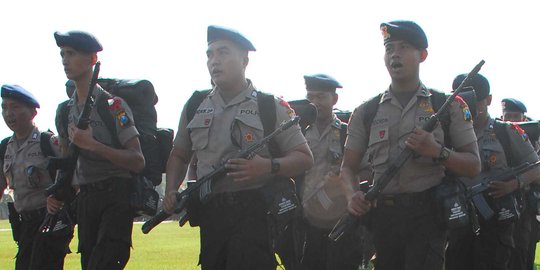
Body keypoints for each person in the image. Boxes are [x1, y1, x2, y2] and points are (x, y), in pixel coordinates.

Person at [163, 25, 313, 270]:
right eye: (210, 55)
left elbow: (304, 157)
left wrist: (267, 167)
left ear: (244, 60)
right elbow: (179, 154)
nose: (214, 61)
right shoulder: (195, 105)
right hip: (212, 213)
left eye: (223, 53)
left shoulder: (268, 105)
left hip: (254, 212)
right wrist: (171, 190)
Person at [342, 20, 481, 270]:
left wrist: (437, 151)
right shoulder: (366, 111)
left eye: (404, 47)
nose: (395, 54)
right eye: (390, 48)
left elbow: (473, 166)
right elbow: (348, 168)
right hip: (383, 218)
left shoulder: (448, 106)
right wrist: (353, 195)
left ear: (422, 55)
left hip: (427, 217)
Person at [50, 30, 145, 270]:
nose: (65, 60)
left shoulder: (114, 106)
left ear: (92, 60)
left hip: (116, 196)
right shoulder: (64, 112)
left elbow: (137, 160)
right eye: (62, 54)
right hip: (86, 201)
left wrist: (94, 145)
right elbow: (66, 161)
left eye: (71, 54)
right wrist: (56, 192)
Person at [445, 74, 540, 270]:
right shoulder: (448, 134)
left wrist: (514, 183)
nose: (470, 106)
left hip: (497, 221)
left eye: (476, 100)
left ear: (488, 100)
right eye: (462, 101)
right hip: (458, 221)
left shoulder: (506, 132)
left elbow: (537, 166)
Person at [1, 84, 72, 269]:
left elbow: (71, 176)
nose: (8, 114)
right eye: (4, 108)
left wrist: (56, 197)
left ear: (33, 112)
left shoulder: (48, 142)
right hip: (24, 224)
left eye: (15, 107)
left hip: (50, 221)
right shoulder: (4, 148)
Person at [299, 74, 362, 270]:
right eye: (310, 97)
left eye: (320, 97)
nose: (314, 103)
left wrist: (342, 181)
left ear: (334, 100)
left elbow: (367, 171)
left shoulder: (348, 133)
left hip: (340, 218)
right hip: (303, 218)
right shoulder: (296, 132)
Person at [500, 98, 539, 270]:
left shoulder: (534, 141)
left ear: (524, 119)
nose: (513, 121)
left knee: (523, 254)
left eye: (516, 116)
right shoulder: (496, 138)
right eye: (508, 116)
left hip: (526, 206)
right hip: (500, 203)